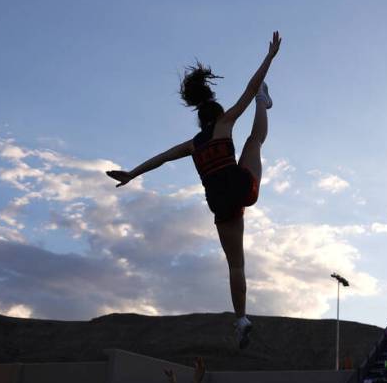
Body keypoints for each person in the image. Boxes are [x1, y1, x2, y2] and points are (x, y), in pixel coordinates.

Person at [106, 33, 282, 349]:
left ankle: (241, 319)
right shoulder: (225, 123)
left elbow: (160, 159)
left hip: (222, 206)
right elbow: (249, 87)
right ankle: (264, 105)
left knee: (236, 265)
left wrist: (132, 173)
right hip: (243, 188)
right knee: (253, 142)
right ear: (216, 114)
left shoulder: (192, 145)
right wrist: (269, 58)